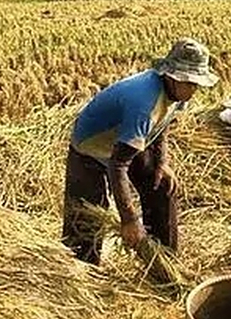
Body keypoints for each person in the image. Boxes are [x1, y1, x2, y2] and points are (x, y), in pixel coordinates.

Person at [62, 38, 218, 265]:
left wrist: (161, 163)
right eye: (190, 82)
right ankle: (83, 273)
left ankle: (164, 261)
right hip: (91, 146)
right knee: (86, 218)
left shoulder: (177, 93)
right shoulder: (144, 103)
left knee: (161, 184)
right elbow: (117, 165)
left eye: (197, 83)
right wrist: (130, 220)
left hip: (126, 137)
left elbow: (162, 123)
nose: (194, 89)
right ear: (172, 76)